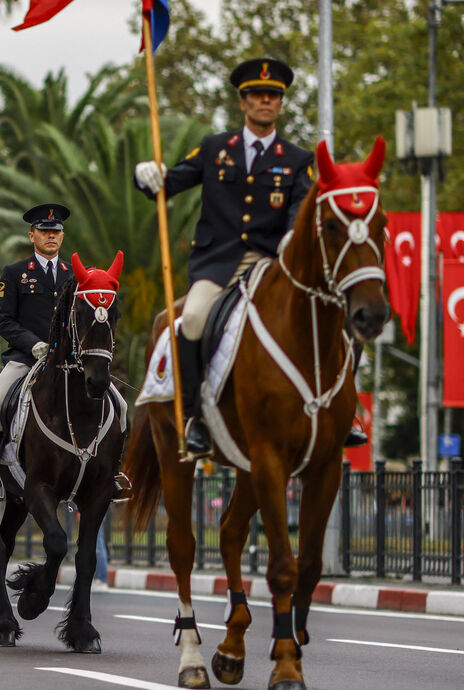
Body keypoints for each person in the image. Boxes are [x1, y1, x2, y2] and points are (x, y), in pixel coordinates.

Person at [131, 57, 357, 458]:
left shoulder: (298, 160)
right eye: (257, 95)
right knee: (195, 319)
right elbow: (171, 181)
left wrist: (290, 242)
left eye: (273, 96)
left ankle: (345, 412)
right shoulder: (217, 149)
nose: (265, 102)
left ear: (281, 104)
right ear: (243, 102)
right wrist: (149, 176)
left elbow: (300, 210)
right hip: (218, 264)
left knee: (336, 317)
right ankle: (194, 418)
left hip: (273, 264)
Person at [0, 203, 73, 504]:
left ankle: (112, 473)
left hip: (68, 361)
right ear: (32, 235)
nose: (51, 236)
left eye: (55, 231)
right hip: (26, 358)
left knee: (115, 402)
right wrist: (33, 344)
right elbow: (3, 321)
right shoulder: (16, 273)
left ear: (62, 235)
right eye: (44, 231)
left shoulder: (75, 275)